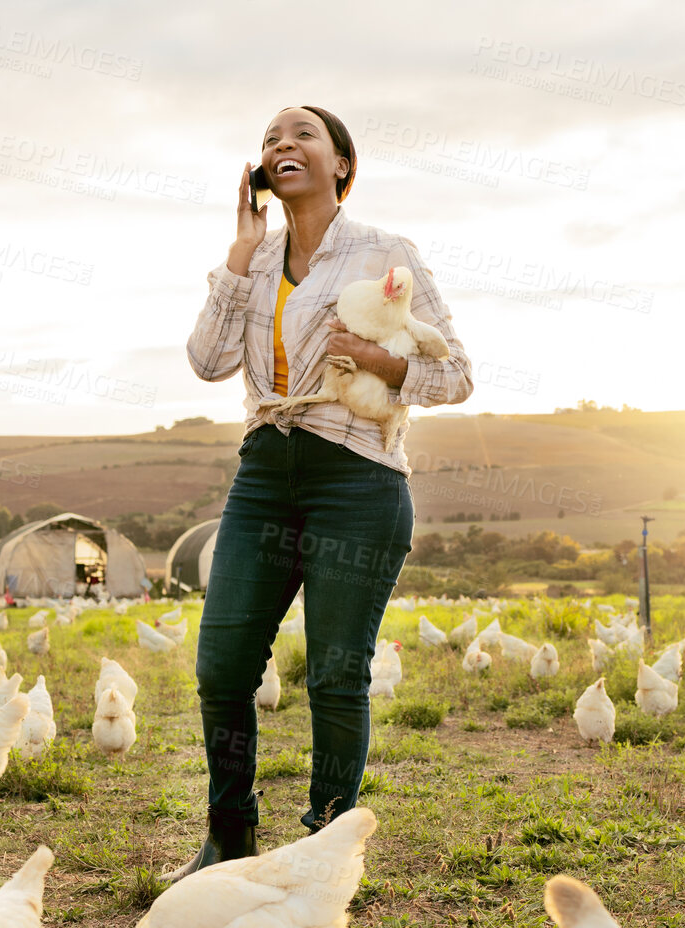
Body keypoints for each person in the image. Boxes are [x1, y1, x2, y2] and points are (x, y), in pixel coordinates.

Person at [166, 105, 472, 880]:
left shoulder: (384, 252)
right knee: (223, 663)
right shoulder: (257, 260)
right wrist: (239, 250)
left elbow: (457, 374)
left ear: (341, 164)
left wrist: (379, 356)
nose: (282, 144)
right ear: (262, 171)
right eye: (271, 138)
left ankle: (326, 849)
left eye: (302, 134)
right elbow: (206, 360)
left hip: (358, 475)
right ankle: (229, 835)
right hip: (265, 469)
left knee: (337, 669)